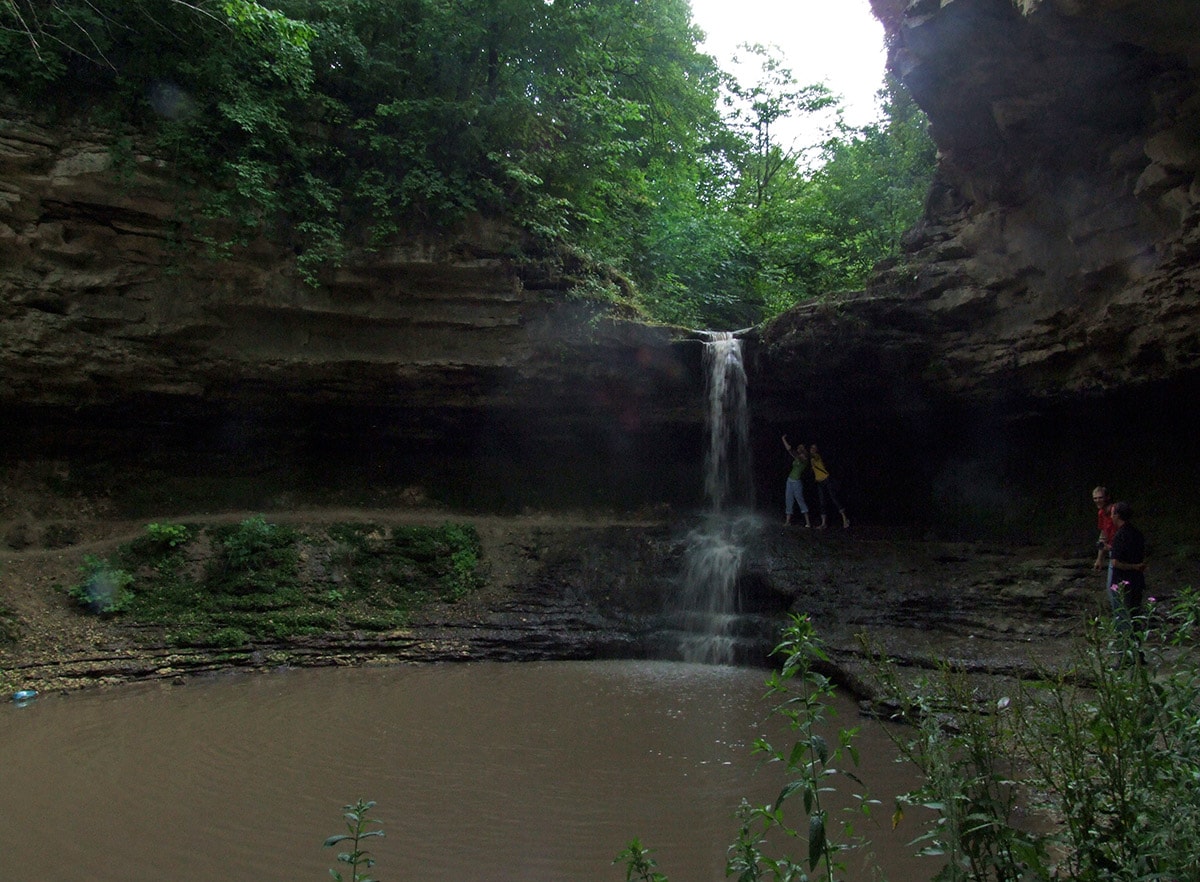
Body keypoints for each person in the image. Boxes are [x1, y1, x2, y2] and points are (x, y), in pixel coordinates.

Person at [1107, 500, 1148, 638]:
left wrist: (1132, 566)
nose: (1111, 516)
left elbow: (1116, 562)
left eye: (1112, 514)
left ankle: (1125, 653)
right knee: (1136, 616)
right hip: (1137, 581)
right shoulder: (1137, 533)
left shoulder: (1119, 535)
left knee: (1122, 618)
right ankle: (1138, 654)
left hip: (1121, 583)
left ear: (1117, 515)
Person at [808, 443, 850, 529]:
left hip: (826, 480)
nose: (812, 449)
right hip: (819, 482)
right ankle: (823, 523)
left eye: (814, 448)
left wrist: (804, 451)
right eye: (811, 447)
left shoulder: (817, 456)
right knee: (822, 502)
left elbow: (812, 456)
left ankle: (845, 519)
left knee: (834, 498)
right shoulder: (811, 459)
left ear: (816, 450)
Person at [781, 435, 811, 527]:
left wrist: (801, 451)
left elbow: (800, 456)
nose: (799, 449)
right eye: (799, 447)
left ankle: (808, 522)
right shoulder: (797, 457)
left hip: (797, 482)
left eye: (801, 448)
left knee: (800, 500)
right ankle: (787, 521)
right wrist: (783, 439)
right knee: (788, 500)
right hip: (790, 481)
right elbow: (789, 449)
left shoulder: (805, 459)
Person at [1091, 485, 1117, 577]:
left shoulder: (1116, 511)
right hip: (1112, 550)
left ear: (1107, 497)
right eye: (1095, 498)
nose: (1097, 500)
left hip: (1120, 551)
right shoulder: (1101, 513)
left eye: (1100, 497)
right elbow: (1103, 535)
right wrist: (1099, 559)